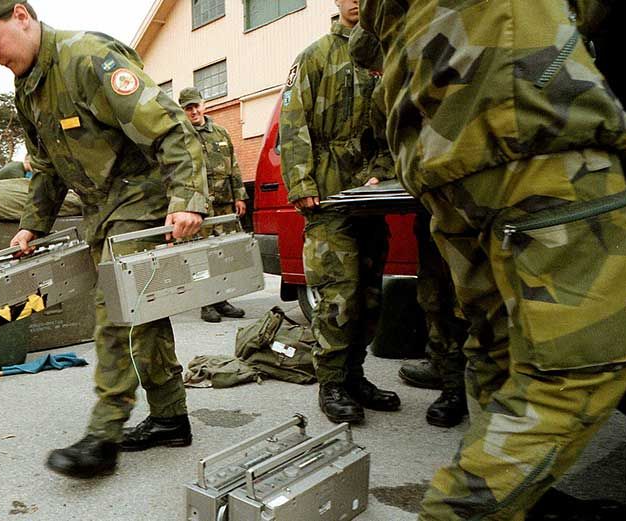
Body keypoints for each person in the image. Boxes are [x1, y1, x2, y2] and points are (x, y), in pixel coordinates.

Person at [358, 0, 626, 519]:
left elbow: (368, 42)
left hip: (444, 142)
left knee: (498, 350)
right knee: (578, 367)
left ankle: (523, 500)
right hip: (528, 120)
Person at [0, 0, 209, 479]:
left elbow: (173, 128)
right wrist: (34, 223)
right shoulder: (27, 91)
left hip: (142, 197)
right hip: (101, 211)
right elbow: (47, 167)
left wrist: (188, 198)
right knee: (143, 317)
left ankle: (103, 436)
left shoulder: (88, 58)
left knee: (117, 311)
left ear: (21, 15)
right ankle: (170, 416)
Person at [278, 0, 399, 425]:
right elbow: (292, 124)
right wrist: (302, 183)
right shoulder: (314, 56)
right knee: (338, 289)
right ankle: (330, 382)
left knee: (369, 290)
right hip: (328, 192)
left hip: (371, 192)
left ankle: (355, 375)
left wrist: (382, 174)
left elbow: (392, 126)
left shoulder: (385, 54)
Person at [348, 23, 468, 428]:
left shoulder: (445, 58)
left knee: (485, 302)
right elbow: (387, 145)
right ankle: (453, 387)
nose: (380, 72)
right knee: (436, 296)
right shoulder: (390, 93)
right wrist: (381, 174)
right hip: (431, 209)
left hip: (476, 200)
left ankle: (496, 398)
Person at [178, 87, 248, 324]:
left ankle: (222, 300)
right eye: (188, 108)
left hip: (224, 204)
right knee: (200, 256)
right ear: (183, 111)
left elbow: (234, 165)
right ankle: (206, 304)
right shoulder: (180, 136)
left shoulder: (221, 132)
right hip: (198, 208)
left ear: (204, 105)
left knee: (222, 254)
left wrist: (239, 196)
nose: (194, 111)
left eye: (196, 105)